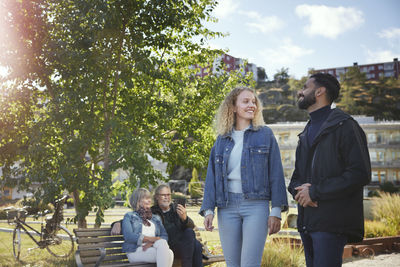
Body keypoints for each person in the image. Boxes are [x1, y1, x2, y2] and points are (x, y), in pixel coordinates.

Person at [288, 73, 371, 267]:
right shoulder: (305, 132)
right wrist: (299, 192)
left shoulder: (346, 126)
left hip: (332, 223)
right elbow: (296, 177)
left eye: (305, 87)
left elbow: (360, 173)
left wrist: (314, 192)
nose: (300, 91)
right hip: (307, 222)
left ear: (319, 91)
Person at [200, 86, 288, 267]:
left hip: (256, 206)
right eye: (246, 101)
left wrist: (277, 209)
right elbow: (212, 177)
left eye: (254, 101)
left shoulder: (265, 134)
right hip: (226, 207)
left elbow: (276, 174)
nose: (252, 105)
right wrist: (208, 209)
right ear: (232, 107)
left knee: (249, 264)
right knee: (233, 264)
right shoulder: (222, 139)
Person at [151, 184, 204, 267]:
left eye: (168, 195)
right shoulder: (153, 212)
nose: (166, 197)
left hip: (184, 245)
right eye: (163, 195)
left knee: (192, 236)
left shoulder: (176, 209)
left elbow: (191, 226)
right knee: (196, 245)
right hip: (168, 247)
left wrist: (184, 218)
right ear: (157, 197)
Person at [122, 188, 174, 267]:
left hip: (153, 248)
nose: (149, 200)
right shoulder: (129, 216)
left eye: (149, 198)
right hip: (136, 251)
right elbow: (129, 236)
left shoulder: (155, 218)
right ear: (138, 201)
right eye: (146, 198)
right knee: (168, 254)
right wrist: (152, 239)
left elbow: (164, 236)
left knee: (167, 250)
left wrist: (151, 242)